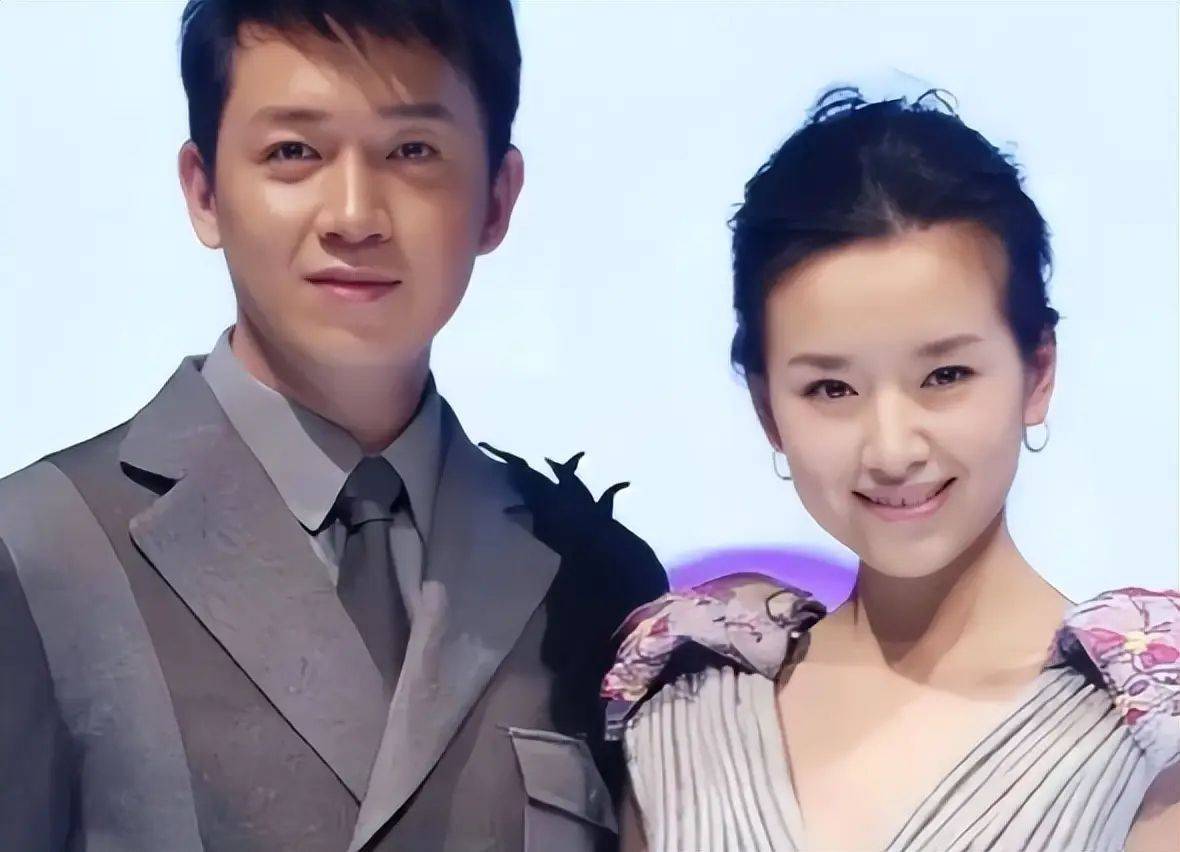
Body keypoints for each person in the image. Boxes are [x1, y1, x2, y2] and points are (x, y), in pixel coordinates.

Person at [0, 2, 666, 849]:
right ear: (204, 191)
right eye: (294, 152)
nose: (354, 215)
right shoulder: (34, 550)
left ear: (498, 200)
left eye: (412, 151)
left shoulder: (596, 578)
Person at [604, 89, 1180, 851]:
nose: (891, 449)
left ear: (1037, 371)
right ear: (768, 409)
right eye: (830, 389)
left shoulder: (1148, 730)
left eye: (945, 376)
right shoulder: (686, 709)